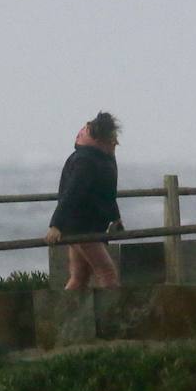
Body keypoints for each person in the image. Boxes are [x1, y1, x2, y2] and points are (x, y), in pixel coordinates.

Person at [44, 112, 123, 289]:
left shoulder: (101, 158)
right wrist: (56, 225)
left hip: (85, 226)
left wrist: (115, 218)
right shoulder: (87, 161)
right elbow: (72, 193)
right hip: (82, 227)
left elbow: (107, 193)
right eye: (113, 136)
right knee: (107, 273)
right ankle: (114, 314)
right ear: (103, 137)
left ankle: (64, 314)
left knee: (80, 276)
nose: (116, 140)